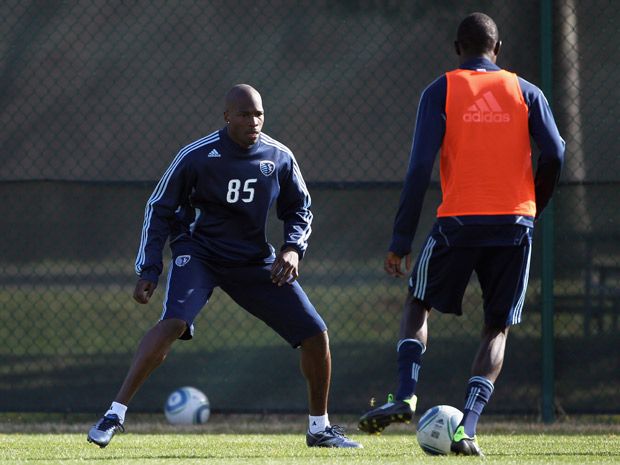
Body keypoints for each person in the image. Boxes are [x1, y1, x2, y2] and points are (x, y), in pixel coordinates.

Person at [87, 84, 361, 449]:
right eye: (245, 114)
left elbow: (300, 208)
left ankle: (319, 428)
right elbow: (159, 208)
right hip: (199, 254)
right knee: (174, 322)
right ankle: (114, 415)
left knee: (315, 333)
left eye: (259, 113)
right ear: (227, 116)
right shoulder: (197, 156)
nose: (254, 121)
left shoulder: (278, 157)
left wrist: (293, 249)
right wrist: (149, 269)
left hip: (253, 261)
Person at [358, 12, 564, 456]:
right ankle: (466, 428)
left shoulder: (441, 90)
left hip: (459, 222)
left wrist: (400, 241)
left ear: (457, 49)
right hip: (515, 222)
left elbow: (418, 169)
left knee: (418, 302)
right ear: (499, 49)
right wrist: (535, 201)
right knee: (496, 327)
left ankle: (405, 395)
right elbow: (556, 151)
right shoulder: (526, 91)